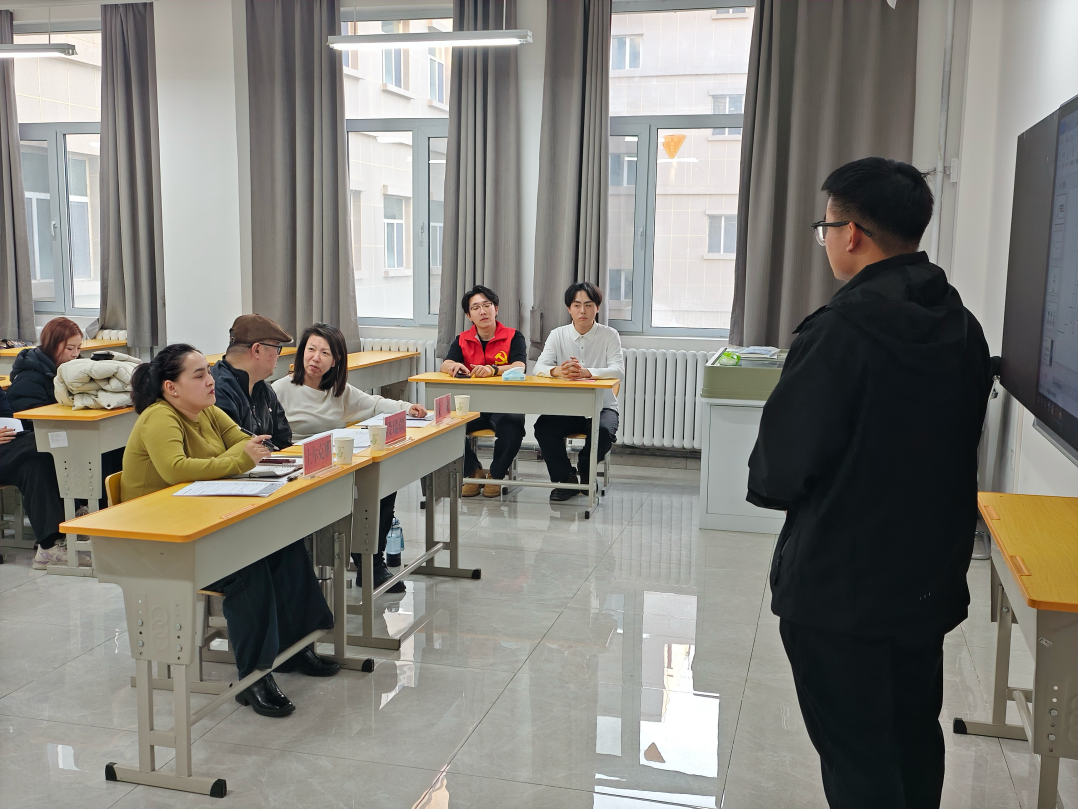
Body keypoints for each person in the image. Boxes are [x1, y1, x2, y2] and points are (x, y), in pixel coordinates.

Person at [746, 157, 992, 809]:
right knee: (913, 740)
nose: (825, 239)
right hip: (925, 584)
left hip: (839, 590)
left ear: (851, 233)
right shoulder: (963, 328)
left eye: (825, 227)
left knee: (857, 760)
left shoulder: (839, 332)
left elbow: (777, 472)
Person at [123, 344, 339, 719]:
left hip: (200, 521)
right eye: (199, 375)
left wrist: (236, 456)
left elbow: (244, 441)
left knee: (283, 546)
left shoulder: (206, 410)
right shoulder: (160, 417)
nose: (211, 381)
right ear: (171, 388)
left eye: (208, 372)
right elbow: (177, 469)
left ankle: (296, 647)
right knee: (246, 565)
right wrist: (236, 459)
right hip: (162, 540)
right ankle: (254, 677)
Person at [273, 323, 428, 593]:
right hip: (301, 465)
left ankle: (371, 563)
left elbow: (373, 403)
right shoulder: (280, 389)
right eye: (310, 350)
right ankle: (355, 560)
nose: (315, 358)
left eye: (324, 353)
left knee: (381, 484)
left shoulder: (338, 390)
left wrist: (407, 408)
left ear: (335, 361)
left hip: (333, 461)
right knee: (358, 492)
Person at [7, 317, 97, 568]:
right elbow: (29, 419)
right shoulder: (29, 378)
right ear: (52, 345)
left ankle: (55, 538)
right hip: (19, 442)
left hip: (16, 442)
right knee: (45, 449)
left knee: (38, 463)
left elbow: (7, 415)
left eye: (78, 348)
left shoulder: (68, 371)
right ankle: (60, 532)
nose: (75, 354)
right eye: (70, 348)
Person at [533, 281, 624, 501]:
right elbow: (538, 368)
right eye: (577, 305)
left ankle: (586, 466)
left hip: (602, 406)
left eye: (588, 305)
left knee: (604, 432)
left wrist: (587, 372)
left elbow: (618, 370)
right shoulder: (557, 335)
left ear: (597, 308)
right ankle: (565, 479)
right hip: (568, 407)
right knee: (543, 428)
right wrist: (558, 371)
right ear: (569, 308)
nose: (582, 310)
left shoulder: (609, 335)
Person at [439, 285, 527, 497]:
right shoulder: (462, 339)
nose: (482, 311)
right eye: (476, 307)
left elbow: (520, 366)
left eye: (487, 305)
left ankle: (495, 475)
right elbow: (445, 364)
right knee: (444, 424)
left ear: (496, 308)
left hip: (504, 405)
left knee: (513, 424)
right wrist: (454, 366)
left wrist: (493, 369)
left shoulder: (513, 336)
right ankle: (472, 471)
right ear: (469, 316)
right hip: (472, 406)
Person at [0, 385, 66, 567]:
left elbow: (6, 416)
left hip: (6, 451)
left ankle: (48, 546)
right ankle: (77, 510)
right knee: (41, 443)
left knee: (34, 466)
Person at [209, 314, 293, 450]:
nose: (277, 355)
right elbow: (234, 450)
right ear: (257, 350)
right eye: (276, 348)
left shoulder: (264, 388)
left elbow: (283, 442)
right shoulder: (217, 390)